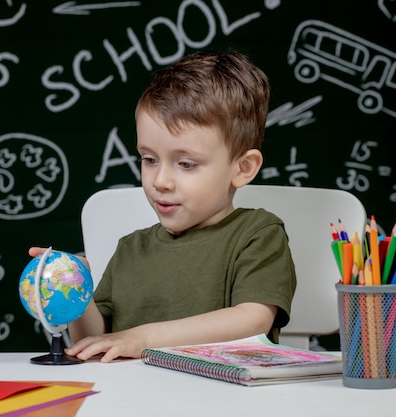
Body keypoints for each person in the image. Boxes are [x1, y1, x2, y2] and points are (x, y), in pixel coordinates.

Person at [29, 49, 296, 362]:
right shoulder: (130, 248)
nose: (161, 181)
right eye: (149, 159)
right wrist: (77, 292)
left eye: (185, 163)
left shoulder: (257, 233)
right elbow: (96, 343)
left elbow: (251, 322)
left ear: (242, 168)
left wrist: (144, 338)